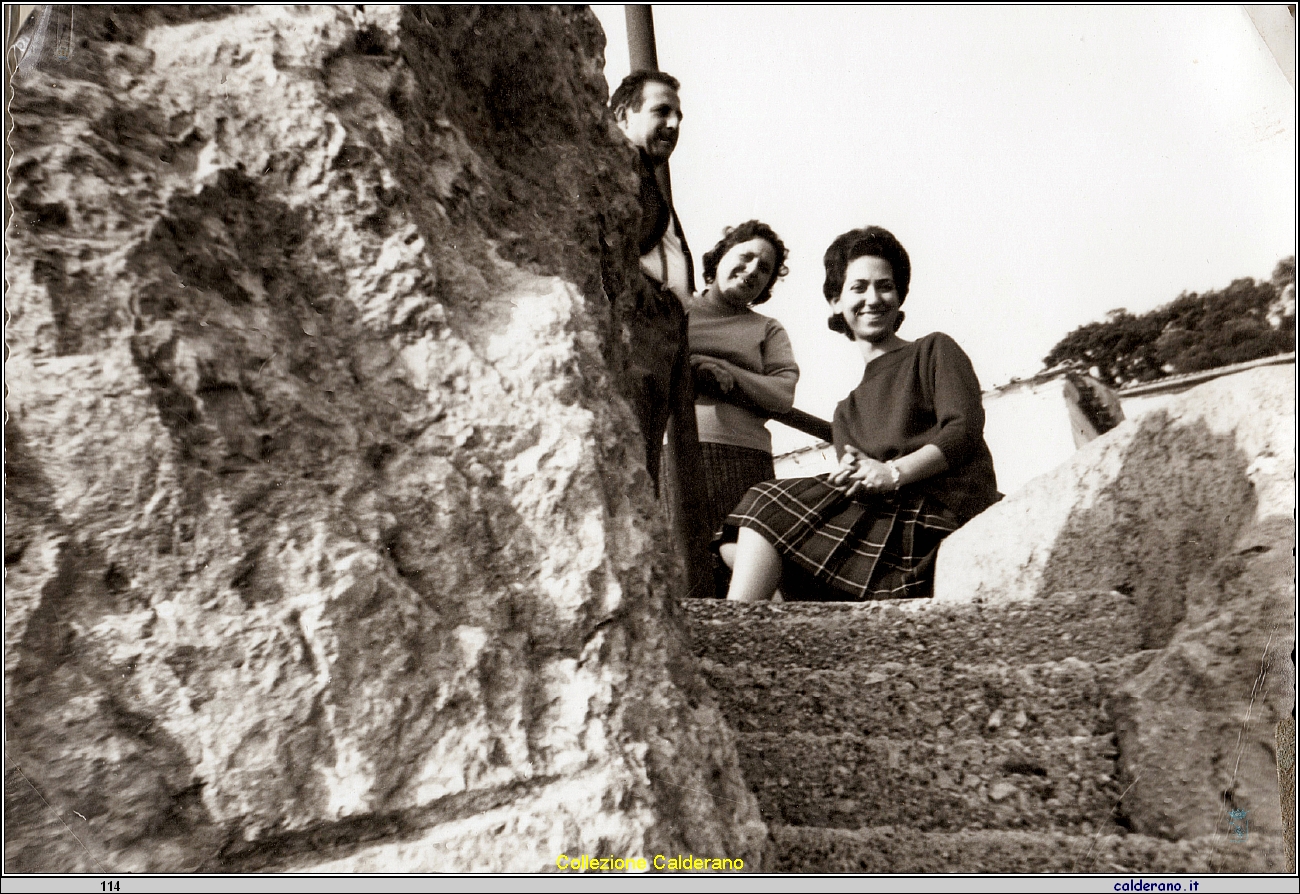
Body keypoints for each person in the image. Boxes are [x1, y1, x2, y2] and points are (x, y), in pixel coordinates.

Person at [716, 226, 1000, 602]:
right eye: (859, 287)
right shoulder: (845, 412)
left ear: (899, 297)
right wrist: (857, 475)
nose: (874, 298)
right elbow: (858, 488)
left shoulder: (933, 350)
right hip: (883, 527)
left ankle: (740, 635)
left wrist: (892, 472)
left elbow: (963, 431)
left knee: (764, 505)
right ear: (836, 302)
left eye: (885, 286)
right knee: (733, 540)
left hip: (939, 516)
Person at [686, 221, 799, 580]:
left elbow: (782, 394)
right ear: (721, 255)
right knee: (683, 565)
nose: (752, 270)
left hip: (746, 462)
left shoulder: (767, 328)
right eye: (745, 256)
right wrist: (694, 367)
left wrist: (726, 370)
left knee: (743, 568)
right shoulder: (676, 307)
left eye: (764, 268)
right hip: (680, 451)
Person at [608, 70, 695, 483]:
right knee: (633, 468)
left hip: (662, 334)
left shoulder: (643, 174)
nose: (674, 125)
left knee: (643, 468)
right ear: (624, 115)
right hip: (641, 323)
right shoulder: (617, 166)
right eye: (662, 112)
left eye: (679, 116)